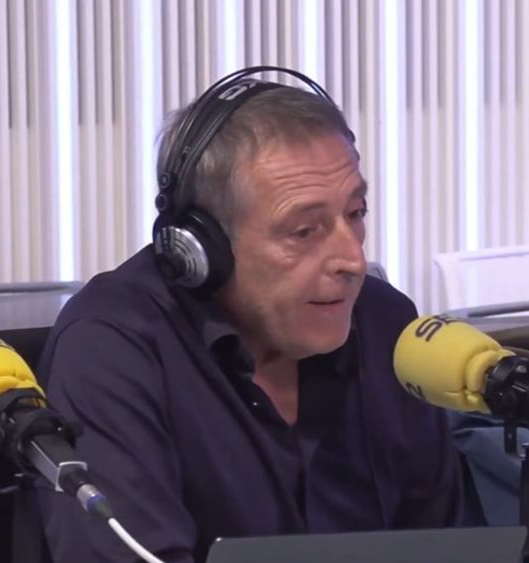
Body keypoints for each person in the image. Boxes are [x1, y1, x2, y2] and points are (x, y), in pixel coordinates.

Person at [36, 67, 469, 562]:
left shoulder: (384, 325)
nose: (352, 259)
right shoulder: (111, 349)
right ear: (202, 248)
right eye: (304, 231)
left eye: (355, 214)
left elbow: (448, 545)